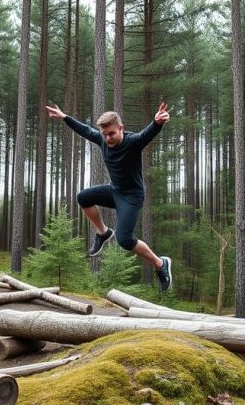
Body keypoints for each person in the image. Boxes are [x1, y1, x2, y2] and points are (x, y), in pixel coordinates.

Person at [45, 102, 173, 291]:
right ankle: (103, 232)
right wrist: (65, 117)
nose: (107, 138)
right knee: (83, 197)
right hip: (115, 191)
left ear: (121, 128)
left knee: (124, 240)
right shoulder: (102, 139)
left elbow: (148, 133)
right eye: (104, 134)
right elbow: (85, 130)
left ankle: (160, 264)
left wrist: (157, 122)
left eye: (111, 133)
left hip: (132, 197)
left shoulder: (133, 142)